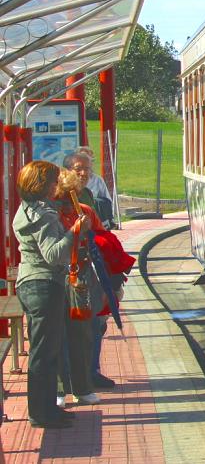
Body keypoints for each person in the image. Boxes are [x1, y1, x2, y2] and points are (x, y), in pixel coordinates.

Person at [13, 160, 90, 428]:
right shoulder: (43, 214)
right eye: (53, 181)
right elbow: (54, 254)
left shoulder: (28, 209)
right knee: (44, 353)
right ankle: (41, 413)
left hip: (33, 283)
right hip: (43, 285)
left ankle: (46, 408)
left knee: (46, 351)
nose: (57, 186)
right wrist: (75, 231)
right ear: (42, 185)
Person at [52, 170, 102, 408]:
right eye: (62, 196)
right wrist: (74, 231)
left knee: (82, 333)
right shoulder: (51, 214)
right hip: (57, 278)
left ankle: (82, 387)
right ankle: (61, 389)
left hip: (81, 278)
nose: (68, 202)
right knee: (58, 335)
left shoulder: (85, 211)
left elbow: (102, 241)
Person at [70, 147, 114, 228]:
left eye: (90, 161)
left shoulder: (98, 180)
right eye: (79, 168)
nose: (83, 173)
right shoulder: (68, 185)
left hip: (96, 220)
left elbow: (107, 201)